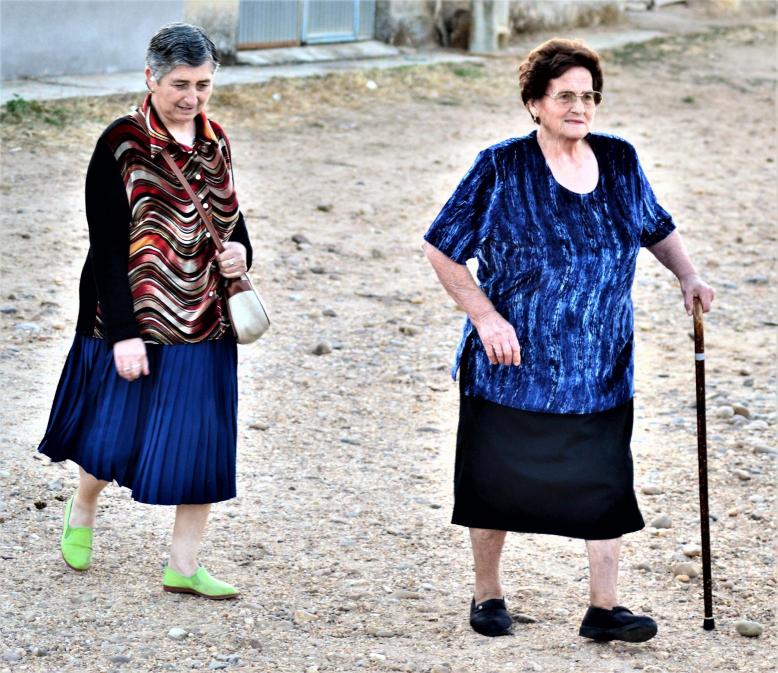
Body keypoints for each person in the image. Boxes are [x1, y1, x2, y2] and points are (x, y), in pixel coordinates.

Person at [423, 38, 714, 641]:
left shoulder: (620, 160)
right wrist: (485, 317)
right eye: (565, 96)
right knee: (493, 480)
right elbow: (441, 246)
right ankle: (488, 594)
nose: (579, 107)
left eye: (589, 96)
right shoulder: (501, 167)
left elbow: (655, 226)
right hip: (513, 362)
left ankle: (604, 609)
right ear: (535, 102)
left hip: (600, 360)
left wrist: (686, 274)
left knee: (604, 482)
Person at [37, 23, 254, 599]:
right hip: (134, 317)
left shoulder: (216, 141)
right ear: (151, 77)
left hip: (205, 317)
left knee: (203, 441)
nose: (192, 97)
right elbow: (107, 248)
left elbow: (232, 223)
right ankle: (84, 508)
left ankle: (183, 565)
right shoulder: (120, 144)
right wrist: (124, 335)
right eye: (181, 84)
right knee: (111, 437)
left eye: (203, 85)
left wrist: (241, 253)